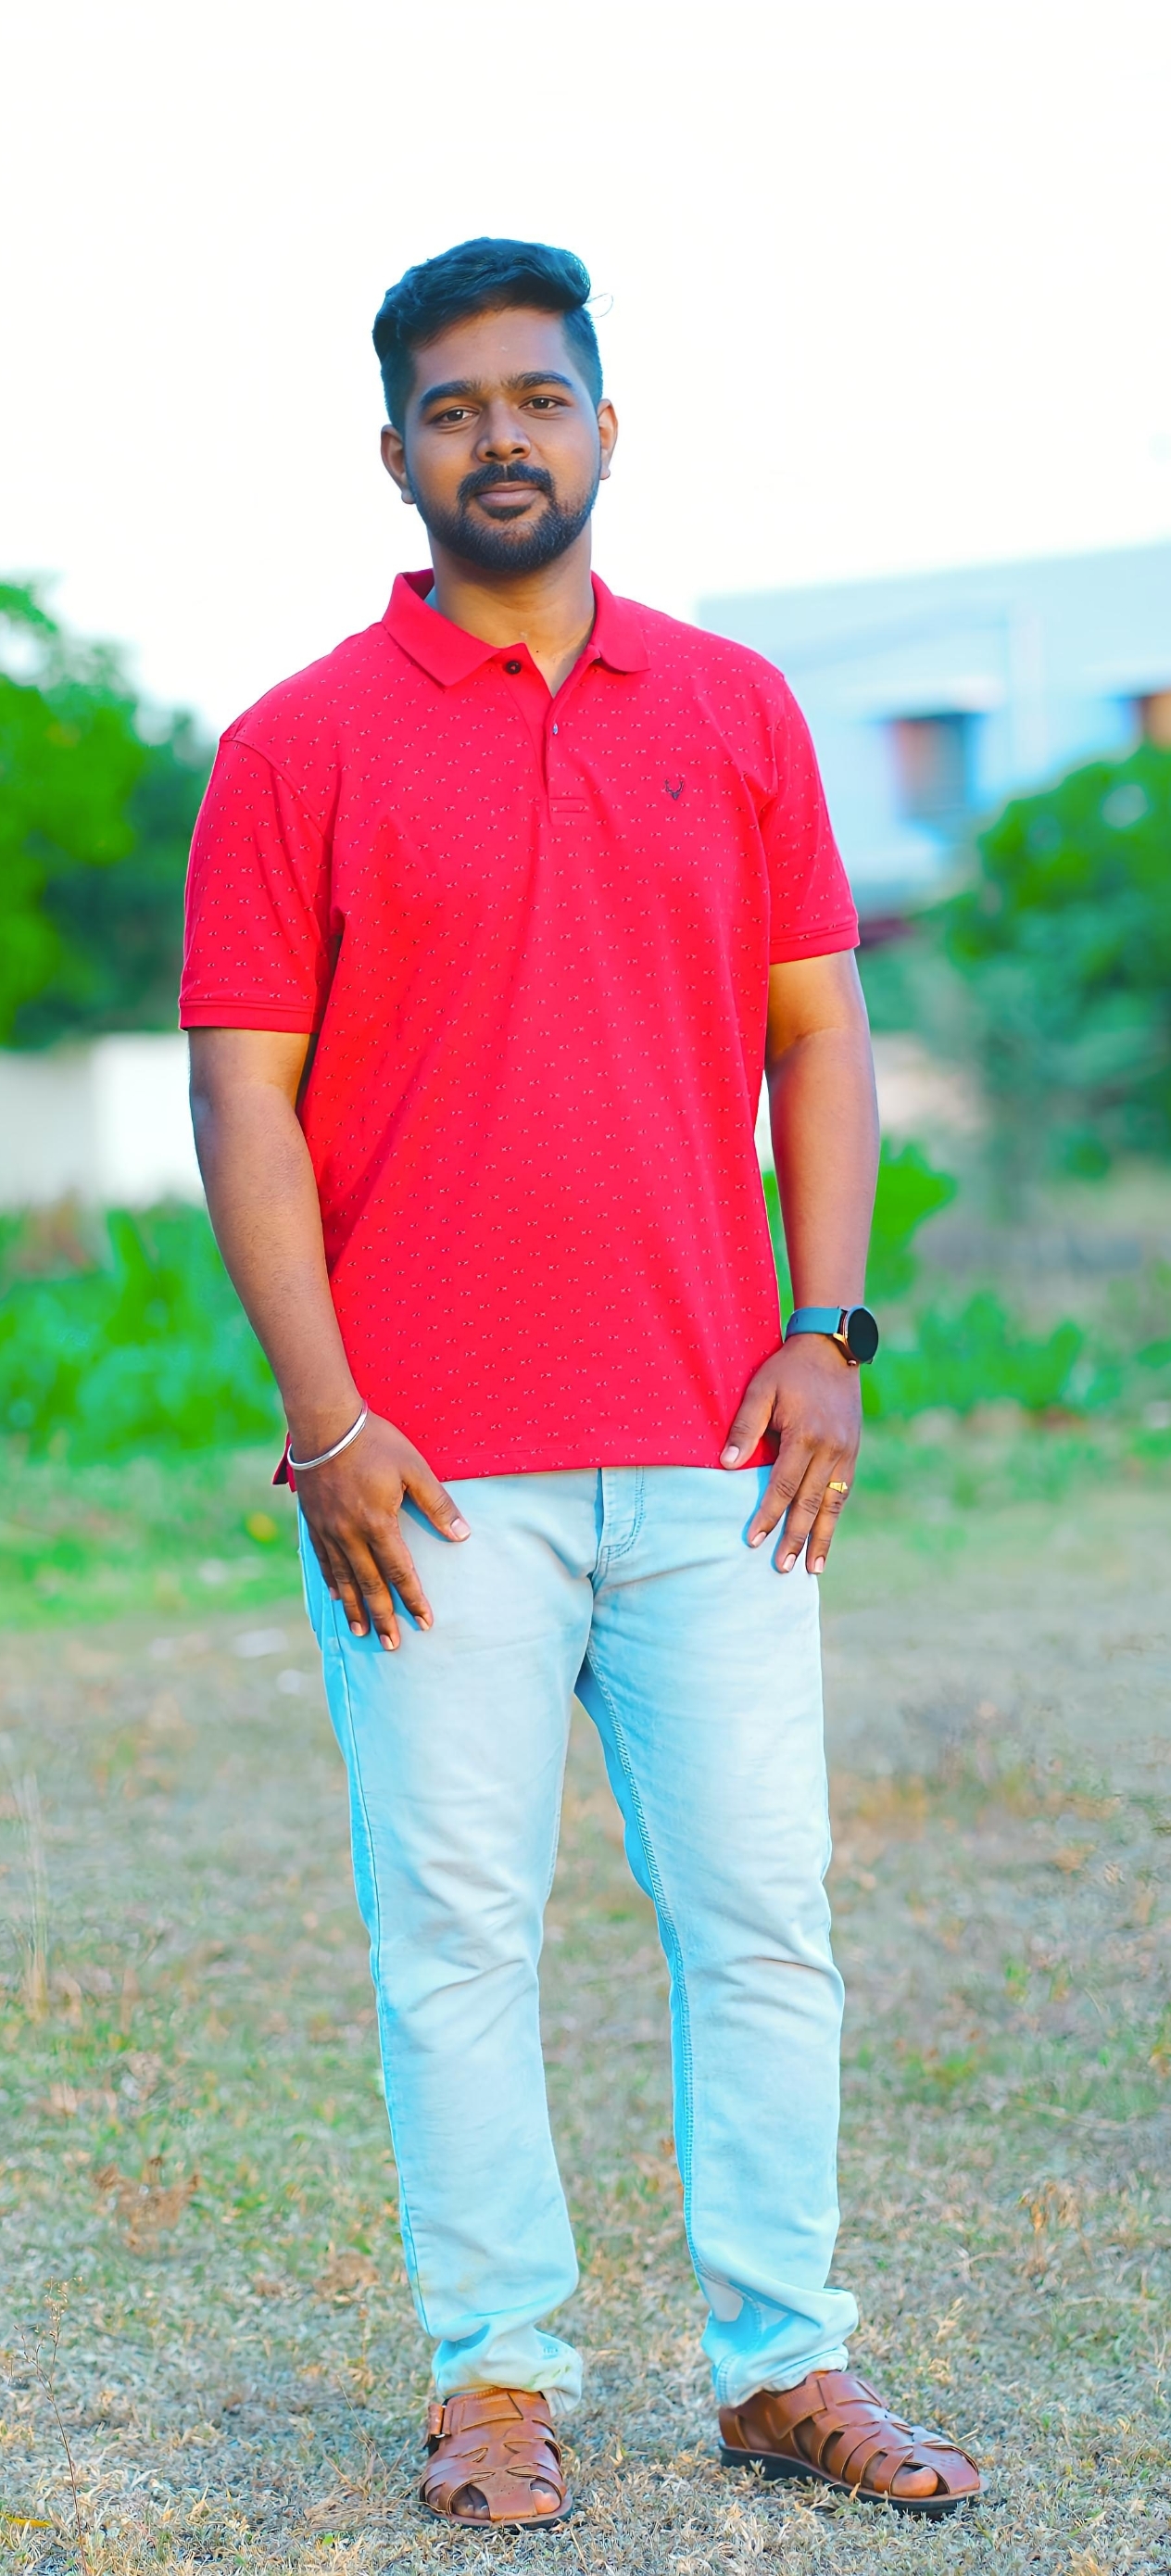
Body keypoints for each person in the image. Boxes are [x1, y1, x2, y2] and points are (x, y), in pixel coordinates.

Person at [182, 236, 979, 2530]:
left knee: (762, 1918)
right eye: (453, 408)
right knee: (456, 1936)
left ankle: (780, 2359)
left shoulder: (733, 712)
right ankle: (496, 2373)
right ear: (394, 454)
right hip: (424, 1476)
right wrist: (327, 1425)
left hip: (717, 1447)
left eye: (536, 397)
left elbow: (818, 1034)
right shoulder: (298, 745)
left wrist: (827, 1329)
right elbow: (243, 1100)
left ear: (604, 426)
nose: (500, 439)